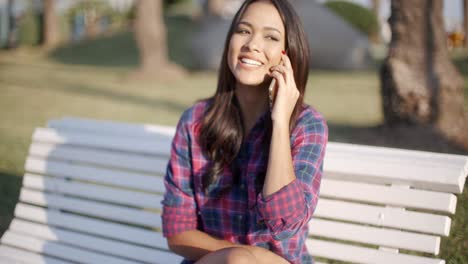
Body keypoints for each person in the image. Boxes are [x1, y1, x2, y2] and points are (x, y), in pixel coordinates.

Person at [161, 0, 328, 263]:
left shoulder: (307, 125)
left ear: (289, 53)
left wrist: (281, 122)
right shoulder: (195, 121)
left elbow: (284, 225)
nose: (252, 44)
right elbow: (177, 232)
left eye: (271, 36)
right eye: (243, 30)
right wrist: (240, 257)